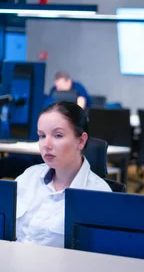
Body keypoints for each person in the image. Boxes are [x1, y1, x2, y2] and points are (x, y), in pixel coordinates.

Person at [15, 101, 111, 247]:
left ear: (81, 141)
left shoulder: (99, 194)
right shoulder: (28, 177)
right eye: (41, 136)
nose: (46, 145)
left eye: (58, 135)